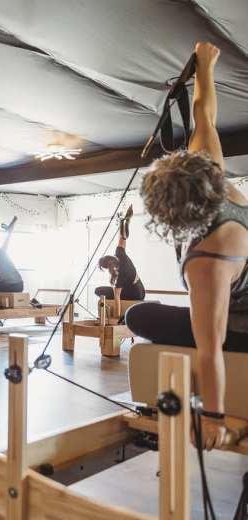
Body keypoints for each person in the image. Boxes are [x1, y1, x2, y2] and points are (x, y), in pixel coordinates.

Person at [126, 42, 247, 450]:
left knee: (139, 316)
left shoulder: (208, 262)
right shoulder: (215, 178)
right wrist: (204, 65)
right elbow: (204, 117)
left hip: (242, 324)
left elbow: (209, 349)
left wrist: (215, 418)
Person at [95, 205, 145, 320]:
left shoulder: (118, 277)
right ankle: (125, 221)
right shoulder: (119, 254)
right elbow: (123, 238)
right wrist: (124, 223)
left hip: (134, 295)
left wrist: (117, 318)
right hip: (141, 289)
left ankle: (107, 312)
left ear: (107, 267)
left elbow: (117, 298)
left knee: (98, 291)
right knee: (108, 290)